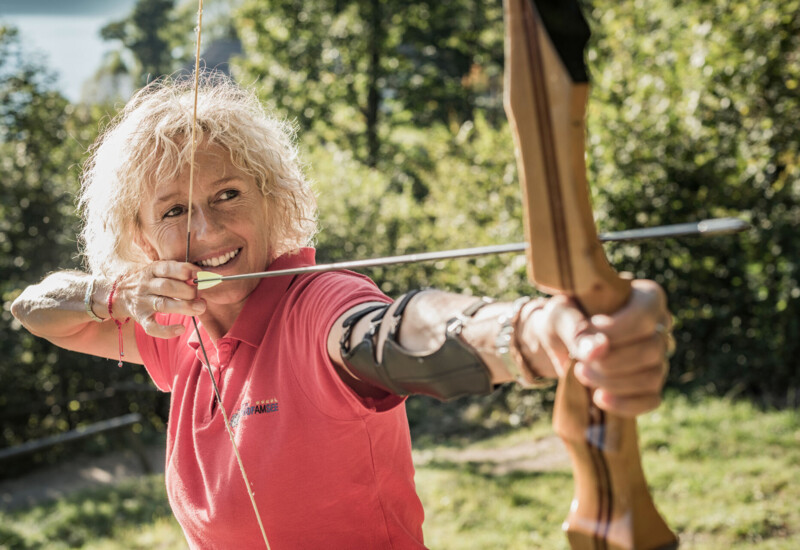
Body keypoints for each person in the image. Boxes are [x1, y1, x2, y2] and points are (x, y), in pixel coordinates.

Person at [11, 76, 673, 549]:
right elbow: (34, 310)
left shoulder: (316, 304)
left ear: (274, 200)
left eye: (229, 194)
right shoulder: (173, 325)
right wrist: (115, 293)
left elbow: (389, 333)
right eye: (174, 210)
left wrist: (527, 332)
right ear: (140, 236)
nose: (207, 231)